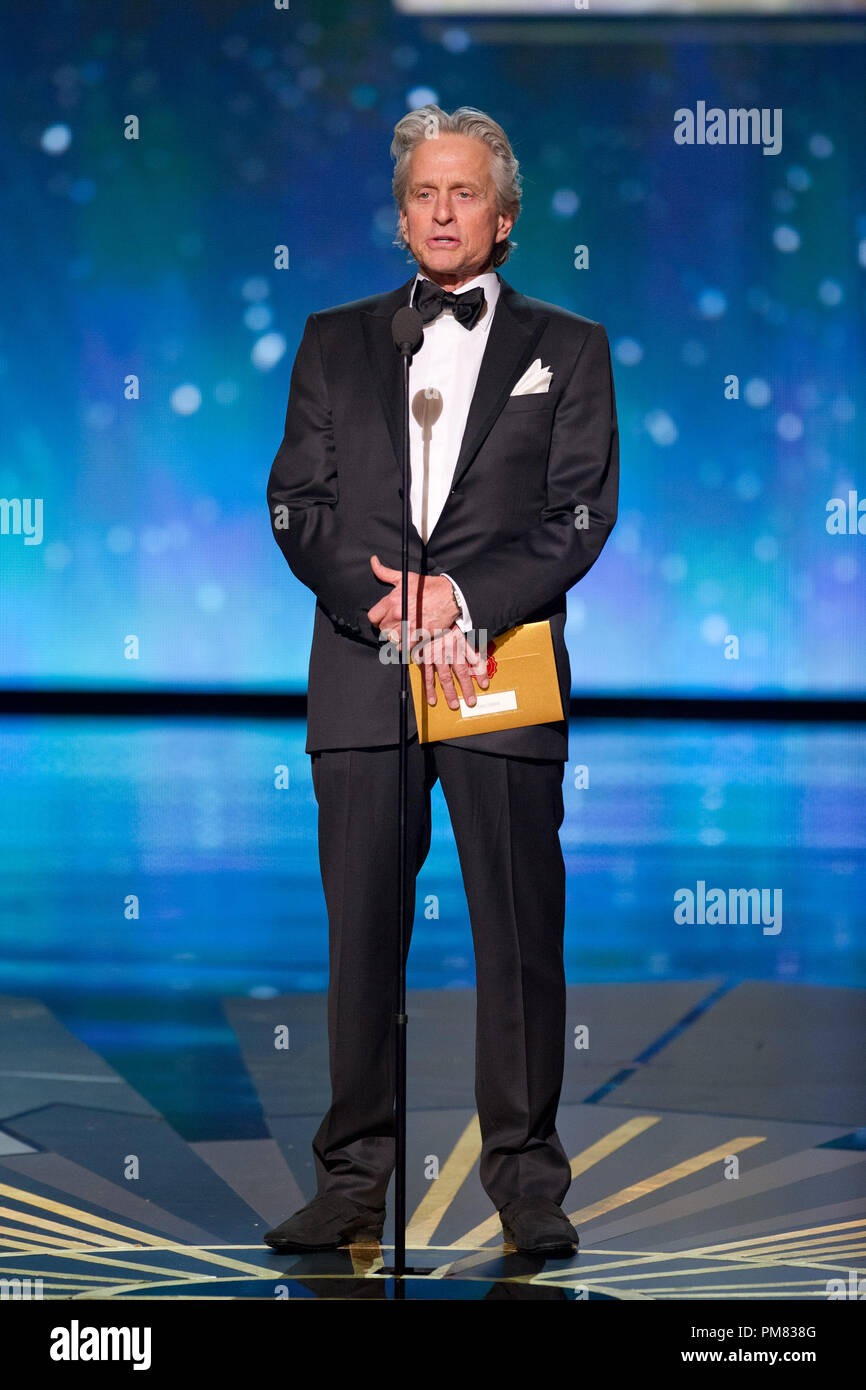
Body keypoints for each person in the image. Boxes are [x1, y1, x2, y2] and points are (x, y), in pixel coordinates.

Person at [264, 105, 619, 1257]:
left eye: (463, 193)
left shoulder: (567, 347)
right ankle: (354, 1179)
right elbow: (294, 502)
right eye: (422, 192)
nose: (441, 211)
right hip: (364, 675)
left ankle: (524, 1182)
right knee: (360, 933)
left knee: (516, 934)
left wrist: (457, 597)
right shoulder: (333, 339)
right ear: (400, 212)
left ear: (503, 218)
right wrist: (377, 599)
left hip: (495, 671)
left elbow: (576, 516)